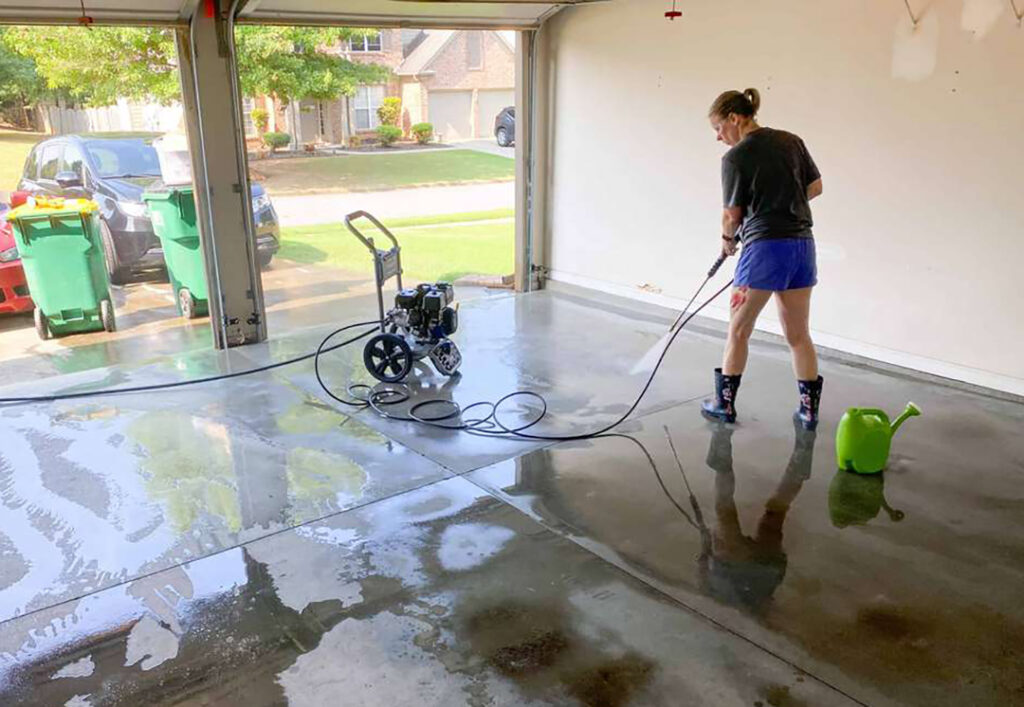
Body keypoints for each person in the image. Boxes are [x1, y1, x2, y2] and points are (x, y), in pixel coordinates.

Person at [701, 88, 825, 430]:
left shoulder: (736, 157)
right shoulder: (791, 141)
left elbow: (731, 215)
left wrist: (728, 242)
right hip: (802, 246)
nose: (718, 137)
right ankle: (809, 412)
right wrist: (783, 201)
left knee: (738, 330)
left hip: (764, 249)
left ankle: (723, 406)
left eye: (718, 128)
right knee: (798, 334)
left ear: (735, 119)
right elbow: (815, 187)